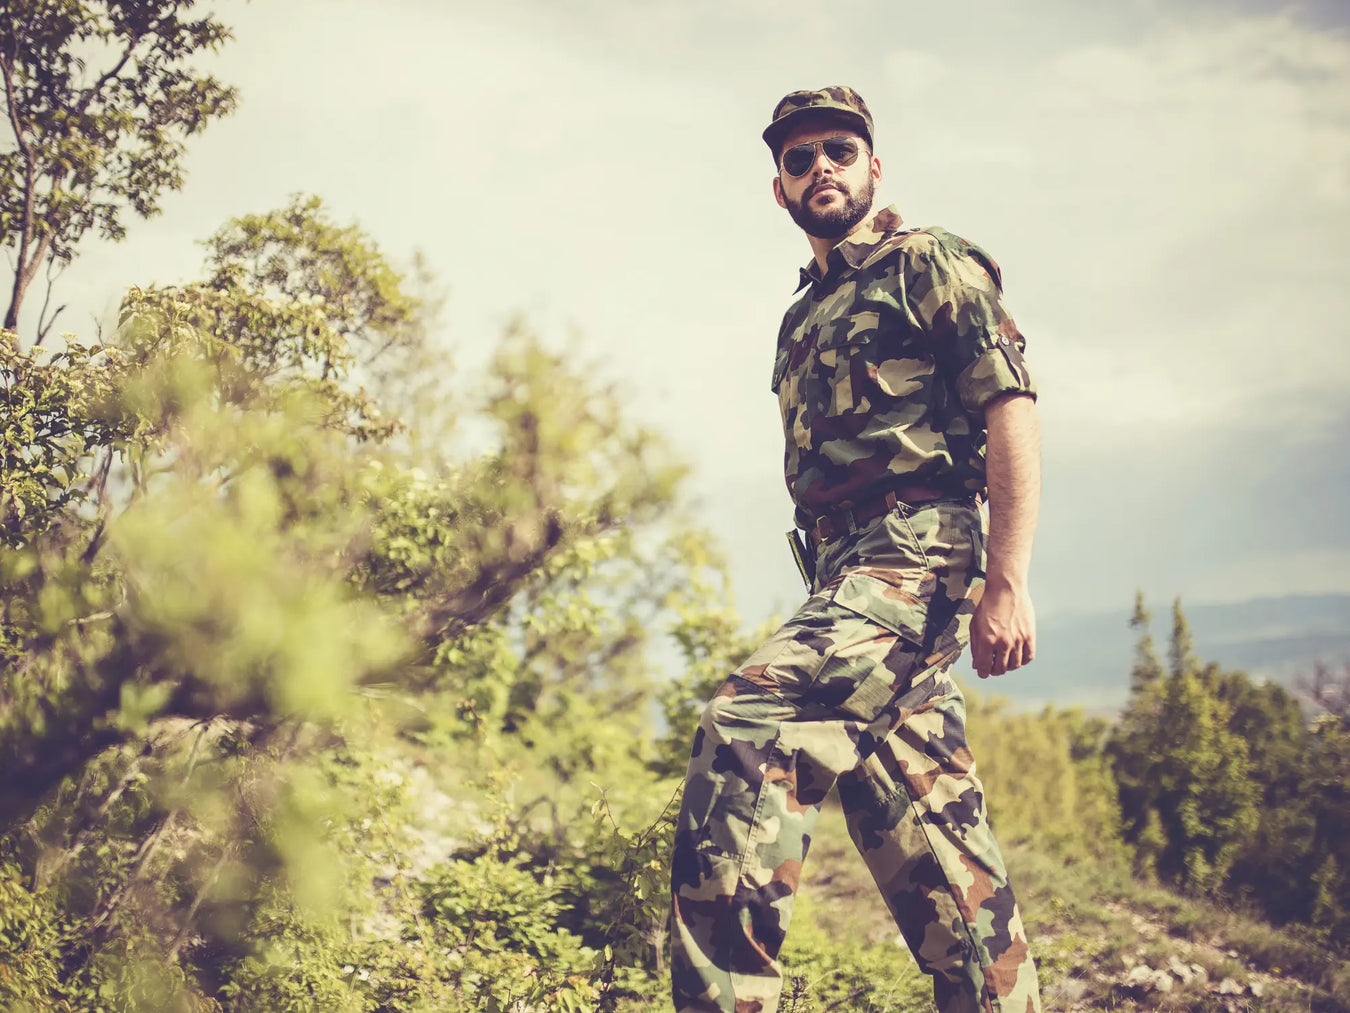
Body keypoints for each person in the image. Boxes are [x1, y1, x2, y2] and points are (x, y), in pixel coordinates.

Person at [669, 86, 1044, 1013]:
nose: (821, 168)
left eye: (839, 149)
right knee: (931, 842)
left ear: (875, 167)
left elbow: (1010, 407)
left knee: (753, 726)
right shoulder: (803, 318)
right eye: (800, 159)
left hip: (919, 555)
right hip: (845, 574)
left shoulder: (928, 262)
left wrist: (1008, 579)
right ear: (780, 189)